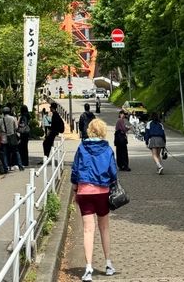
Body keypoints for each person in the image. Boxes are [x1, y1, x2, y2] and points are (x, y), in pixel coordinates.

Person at [70, 118, 118, 281]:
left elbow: (75, 170)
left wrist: (75, 189)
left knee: (87, 230)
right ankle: (108, 264)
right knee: (104, 228)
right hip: (102, 191)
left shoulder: (82, 147)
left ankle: (88, 268)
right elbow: (113, 171)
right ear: (103, 131)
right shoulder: (107, 149)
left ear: (90, 130)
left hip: (84, 191)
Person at [1, 105, 24, 171]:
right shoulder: (13, 118)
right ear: (9, 112)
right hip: (12, 137)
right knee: (16, 152)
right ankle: (20, 166)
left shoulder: (1, 120)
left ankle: (6, 168)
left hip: (4, 138)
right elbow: (16, 127)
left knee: (5, 153)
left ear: (3, 112)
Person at [17, 103, 32, 169]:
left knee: (21, 148)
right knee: (25, 147)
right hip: (26, 133)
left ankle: (23, 161)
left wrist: (18, 125)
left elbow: (23, 125)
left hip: (23, 133)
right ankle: (25, 161)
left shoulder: (23, 116)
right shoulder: (28, 116)